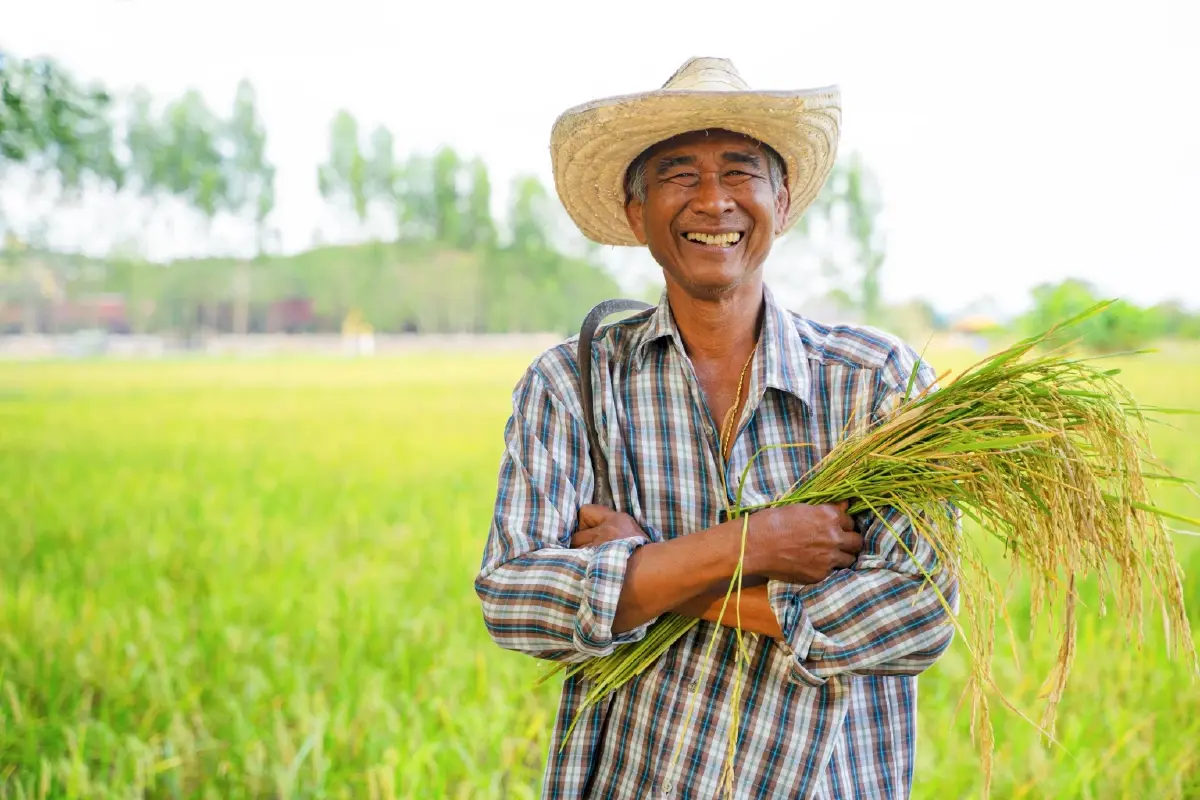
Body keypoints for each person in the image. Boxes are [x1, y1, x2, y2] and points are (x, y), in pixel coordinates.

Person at [475, 57, 959, 799]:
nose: (713, 201)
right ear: (637, 213)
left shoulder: (875, 384)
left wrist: (661, 573)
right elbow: (514, 596)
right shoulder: (573, 382)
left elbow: (916, 614)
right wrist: (754, 545)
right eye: (677, 175)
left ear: (782, 200)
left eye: (740, 172)